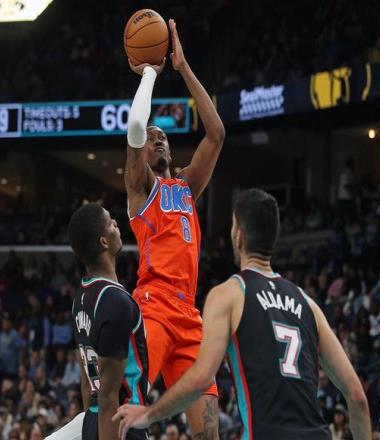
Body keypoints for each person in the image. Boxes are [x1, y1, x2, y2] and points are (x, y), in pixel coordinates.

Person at [115, 189, 372, 440]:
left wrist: (149, 414)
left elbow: (201, 378)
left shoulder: (230, 294)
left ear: (239, 236)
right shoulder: (309, 304)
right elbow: (357, 396)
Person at [125, 18, 225, 437]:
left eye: (163, 135)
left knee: (208, 431)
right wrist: (150, 72)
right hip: (153, 304)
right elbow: (134, 127)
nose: (158, 139)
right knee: (125, 408)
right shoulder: (139, 187)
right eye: (152, 138)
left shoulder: (185, 187)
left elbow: (216, 133)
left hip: (189, 313)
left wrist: (182, 68)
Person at [46, 203, 149, 439]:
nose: (116, 224)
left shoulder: (81, 296)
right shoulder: (117, 302)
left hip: (93, 419)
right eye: (111, 222)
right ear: (104, 242)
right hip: (121, 424)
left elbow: (86, 383)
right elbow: (109, 396)